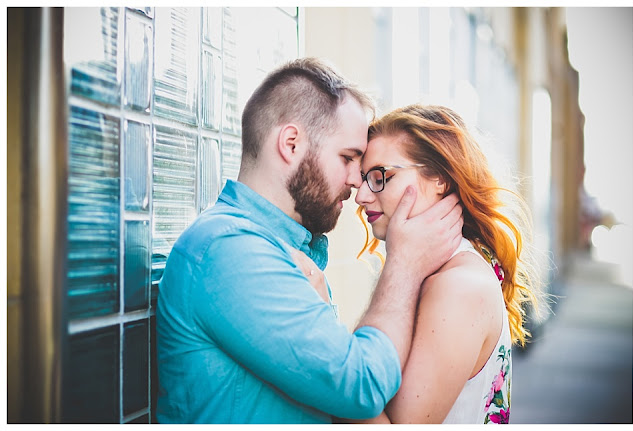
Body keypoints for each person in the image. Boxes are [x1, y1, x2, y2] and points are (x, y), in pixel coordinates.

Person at [155, 58, 464, 424]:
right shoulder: (230, 250)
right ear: (291, 144)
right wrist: (404, 265)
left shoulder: (272, 247)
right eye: (348, 158)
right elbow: (359, 386)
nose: (356, 183)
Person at [334, 104, 543, 424]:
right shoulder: (440, 269)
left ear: (440, 179)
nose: (361, 195)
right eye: (363, 178)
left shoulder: (458, 286)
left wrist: (324, 347)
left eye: (379, 176)